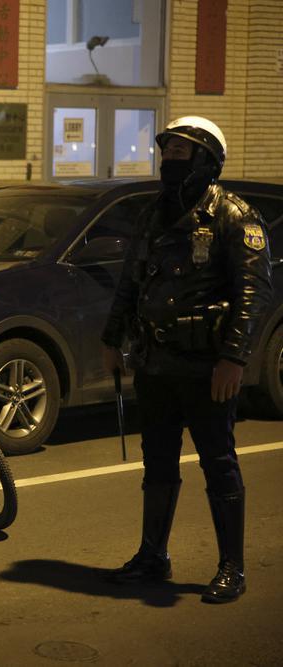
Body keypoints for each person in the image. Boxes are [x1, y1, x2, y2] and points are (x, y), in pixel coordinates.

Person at [100, 116, 273, 603]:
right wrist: (111, 339)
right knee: (157, 463)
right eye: (167, 151)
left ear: (207, 160)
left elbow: (253, 293)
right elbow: (131, 281)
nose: (169, 159)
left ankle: (232, 567)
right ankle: (152, 555)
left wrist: (234, 358)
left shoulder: (233, 215)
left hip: (206, 367)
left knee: (218, 463)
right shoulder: (154, 213)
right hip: (155, 363)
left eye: (180, 151)